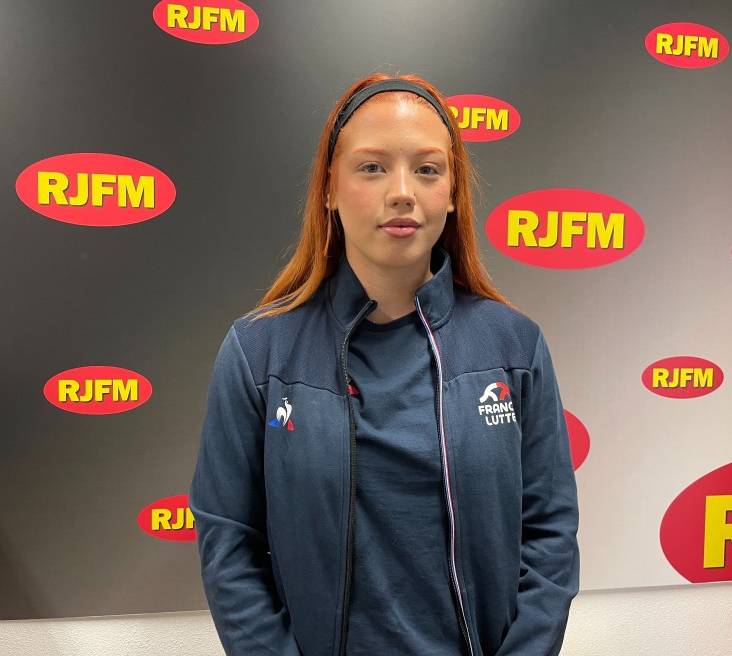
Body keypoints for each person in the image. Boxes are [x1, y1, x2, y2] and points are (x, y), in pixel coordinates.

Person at [190, 72, 579, 656]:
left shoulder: (514, 347)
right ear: (329, 189)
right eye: (372, 167)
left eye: (428, 169)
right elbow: (229, 544)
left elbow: (549, 535)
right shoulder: (258, 353)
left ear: (453, 193)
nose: (403, 192)